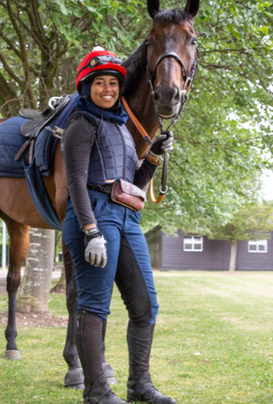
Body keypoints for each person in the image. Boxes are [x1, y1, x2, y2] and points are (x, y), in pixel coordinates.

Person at [62, 46, 175, 404]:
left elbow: (133, 184)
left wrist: (154, 155)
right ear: (86, 86)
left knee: (145, 306)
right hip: (94, 217)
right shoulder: (81, 124)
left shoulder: (123, 130)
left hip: (127, 219)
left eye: (113, 82)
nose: (108, 89)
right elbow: (76, 182)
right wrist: (90, 231)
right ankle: (96, 393)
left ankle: (138, 385)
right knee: (94, 305)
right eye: (100, 83)